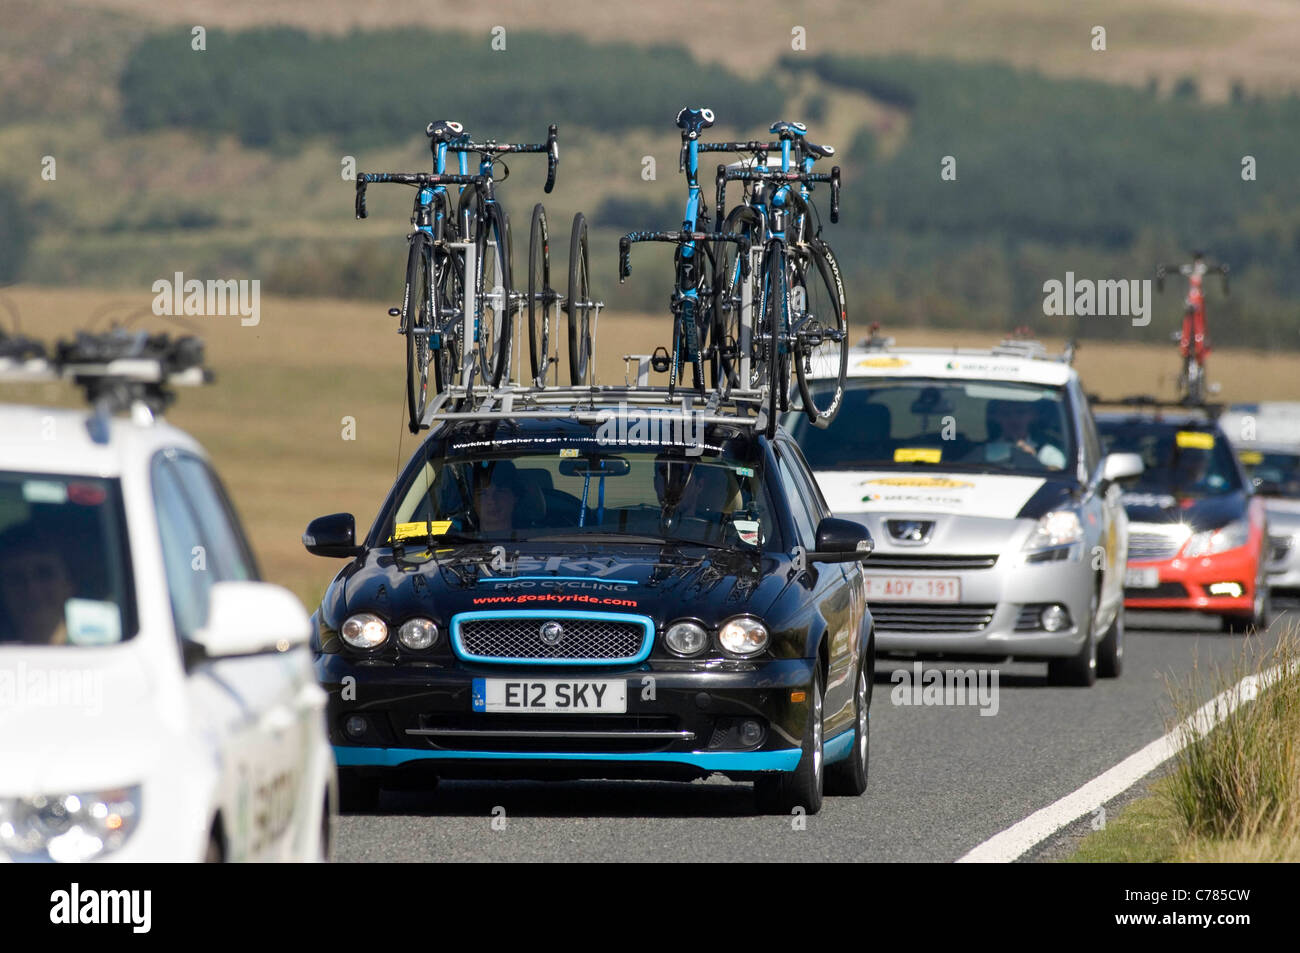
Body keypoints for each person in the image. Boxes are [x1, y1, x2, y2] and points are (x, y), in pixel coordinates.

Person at [0, 521, 74, 645]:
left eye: (44, 574)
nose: (32, 590)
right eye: (16, 579)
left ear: (69, 584)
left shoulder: (107, 655)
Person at [969, 399, 1066, 470]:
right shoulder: (983, 452)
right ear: (997, 418)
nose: (1013, 419)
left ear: (1032, 416)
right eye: (1006, 414)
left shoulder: (1047, 453)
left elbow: (1059, 480)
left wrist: (1033, 461)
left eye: (1021, 413)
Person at [470, 460, 519, 535]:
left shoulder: (538, 539)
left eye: (500, 492)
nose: (492, 501)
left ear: (515, 496)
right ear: (472, 500)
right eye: (483, 494)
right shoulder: (450, 540)